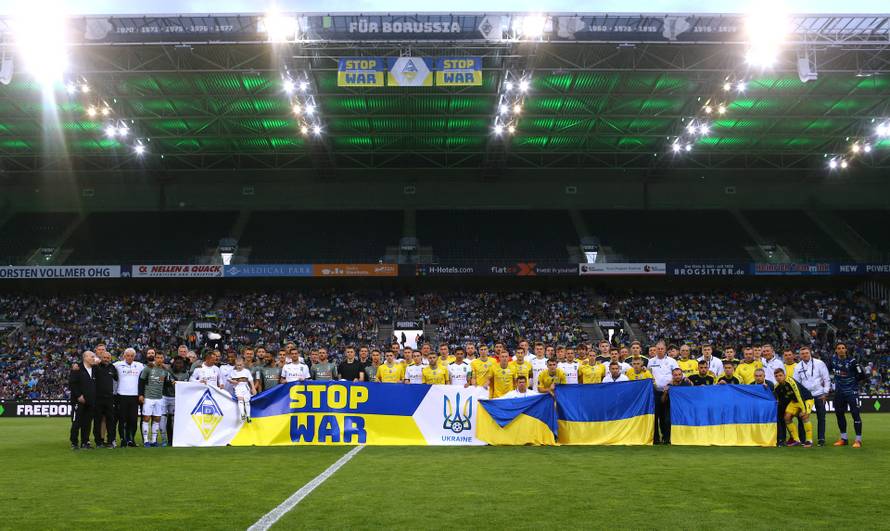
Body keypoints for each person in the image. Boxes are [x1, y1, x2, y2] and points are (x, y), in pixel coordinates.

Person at [830, 342, 864, 448]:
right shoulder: (833, 360)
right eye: (838, 348)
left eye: (843, 348)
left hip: (851, 393)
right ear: (836, 350)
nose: (841, 350)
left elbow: (862, 375)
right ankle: (843, 439)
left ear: (846, 350)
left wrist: (853, 384)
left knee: (855, 415)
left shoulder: (853, 361)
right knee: (839, 415)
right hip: (839, 393)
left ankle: (858, 440)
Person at [795, 346, 831, 446]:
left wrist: (825, 392)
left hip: (819, 394)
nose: (805, 355)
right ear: (800, 355)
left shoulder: (819, 363)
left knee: (821, 417)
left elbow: (826, 378)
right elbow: (796, 383)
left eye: (806, 353)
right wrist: (799, 397)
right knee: (803, 417)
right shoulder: (798, 366)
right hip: (805, 396)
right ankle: (803, 440)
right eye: (802, 354)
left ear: (810, 353)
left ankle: (821, 439)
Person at [773, 368, 814, 447]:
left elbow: (799, 395)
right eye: (776, 376)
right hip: (794, 401)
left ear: (784, 375)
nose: (778, 377)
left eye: (780, 375)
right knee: (787, 417)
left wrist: (803, 409)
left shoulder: (791, 381)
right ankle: (796, 440)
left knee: (804, 416)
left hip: (806, 399)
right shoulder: (777, 386)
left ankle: (809, 441)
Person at [648, 341, 679, 445]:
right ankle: (656, 438)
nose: (660, 350)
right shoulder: (651, 361)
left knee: (666, 417)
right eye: (658, 349)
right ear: (655, 350)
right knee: (655, 416)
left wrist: (669, 385)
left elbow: (676, 374)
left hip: (669, 391)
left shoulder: (672, 361)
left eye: (662, 349)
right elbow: (649, 375)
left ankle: (667, 438)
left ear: (665, 350)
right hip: (655, 392)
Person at [139, 352, 171, 447]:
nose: (159, 359)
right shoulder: (148, 368)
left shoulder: (165, 371)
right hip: (148, 397)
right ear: (155, 358)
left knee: (157, 419)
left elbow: (165, 383)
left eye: (161, 358)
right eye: (158, 357)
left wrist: (171, 382)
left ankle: (153, 441)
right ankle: (145, 441)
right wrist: (141, 395)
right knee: (146, 418)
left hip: (159, 398)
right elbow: (141, 382)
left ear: (163, 359)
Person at [113, 348, 144, 447]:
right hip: (121, 395)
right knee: (122, 419)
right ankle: (123, 439)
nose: (130, 357)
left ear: (134, 357)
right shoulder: (117, 364)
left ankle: (131, 439)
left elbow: (151, 369)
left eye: (132, 356)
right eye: (128, 355)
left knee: (133, 420)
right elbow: (105, 366)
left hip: (134, 396)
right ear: (124, 356)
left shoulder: (139, 365)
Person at [69, 351, 98, 450]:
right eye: (92, 357)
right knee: (76, 422)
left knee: (87, 423)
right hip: (79, 401)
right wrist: (78, 396)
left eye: (94, 357)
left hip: (90, 401)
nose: (94, 358)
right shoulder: (77, 368)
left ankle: (85, 442)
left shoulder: (95, 369)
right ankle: (74, 443)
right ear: (85, 357)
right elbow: (72, 383)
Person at [93, 349, 118, 448]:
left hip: (109, 398)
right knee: (97, 420)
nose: (106, 359)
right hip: (98, 398)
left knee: (111, 421)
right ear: (101, 358)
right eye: (104, 357)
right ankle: (98, 442)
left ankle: (111, 441)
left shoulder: (113, 368)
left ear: (110, 358)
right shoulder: (95, 367)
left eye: (108, 358)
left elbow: (117, 379)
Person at [165, 356, 189, 446]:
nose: (179, 365)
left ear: (183, 364)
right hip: (170, 397)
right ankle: (170, 439)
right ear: (173, 364)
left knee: (180, 420)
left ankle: (180, 438)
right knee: (170, 419)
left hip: (182, 400)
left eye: (180, 363)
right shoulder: (169, 372)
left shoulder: (186, 374)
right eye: (177, 363)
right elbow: (167, 383)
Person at [228, 358, 255, 422]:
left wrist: (253, 388)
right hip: (238, 387)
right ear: (235, 365)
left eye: (240, 365)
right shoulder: (233, 372)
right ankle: (242, 414)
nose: (239, 366)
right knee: (240, 400)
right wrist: (232, 381)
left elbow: (251, 380)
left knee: (246, 401)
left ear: (243, 364)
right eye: (237, 365)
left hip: (245, 387)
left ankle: (248, 416)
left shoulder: (246, 371)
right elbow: (228, 379)